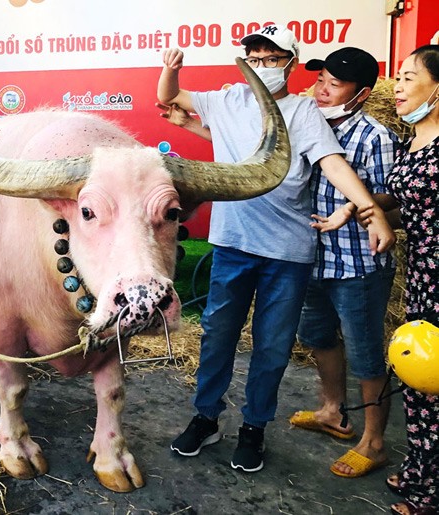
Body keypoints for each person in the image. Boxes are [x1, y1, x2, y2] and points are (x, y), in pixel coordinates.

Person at [157, 24, 395, 473]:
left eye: (271, 57)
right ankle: (206, 417)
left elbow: (332, 162)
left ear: (289, 62)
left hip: (287, 251)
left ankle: (254, 428)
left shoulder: (304, 111)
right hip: (232, 245)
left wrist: (370, 209)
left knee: (271, 346)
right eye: (255, 57)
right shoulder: (226, 100)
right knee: (217, 335)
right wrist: (170, 71)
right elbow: (173, 95)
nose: (262, 65)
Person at [289, 47, 399, 479]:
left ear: (362, 94)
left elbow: (395, 199)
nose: (321, 90)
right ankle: (333, 411)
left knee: (367, 352)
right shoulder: (306, 125)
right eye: (320, 81)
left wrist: (355, 206)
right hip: (311, 259)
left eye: (334, 86)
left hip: (359, 264)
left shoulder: (375, 137)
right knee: (318, 337)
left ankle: (373, 442)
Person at [357, 44, 438, 515]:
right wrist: (363, 207)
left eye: (409, 77)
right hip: (423, 276)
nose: (398, 85)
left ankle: (426, 494)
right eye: (398, 77)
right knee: (420, 373)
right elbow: (404, 197)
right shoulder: (413, 140)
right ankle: (421, 472)